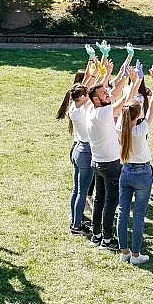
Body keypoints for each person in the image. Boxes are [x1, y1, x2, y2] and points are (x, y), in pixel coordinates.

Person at [85, 56, 133, 250]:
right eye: (104, 93)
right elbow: (124, 101)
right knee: (110, 202)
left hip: (97, 163)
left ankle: (96, 235)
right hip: (110, 165)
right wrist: (133, 82)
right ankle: (106, 239)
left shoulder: (91, 110)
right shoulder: (104, 113)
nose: (107, 94)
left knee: (99, 200)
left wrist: (109, 74)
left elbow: (106, 92)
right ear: (96, 99)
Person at [117, 66, 153, 265]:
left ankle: (124, 251)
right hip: (142, 172)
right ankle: (136, 254)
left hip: (126, 171)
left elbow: (127, 105)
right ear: (137, 115)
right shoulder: (142, 127)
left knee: (123, 212)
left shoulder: (120, 127)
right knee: (139, 215)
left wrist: (135, 82)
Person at [57, 65, 94, 236]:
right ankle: (77, 225)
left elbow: (85, 86)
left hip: (78, 149)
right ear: (83, 97)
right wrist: (102, 74)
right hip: (86, 151)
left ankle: (74, 220)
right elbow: (90, 87)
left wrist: (93, 72)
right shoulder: (84, 108)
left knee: (75, 189)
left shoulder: (73, 106)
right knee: (82, 191)